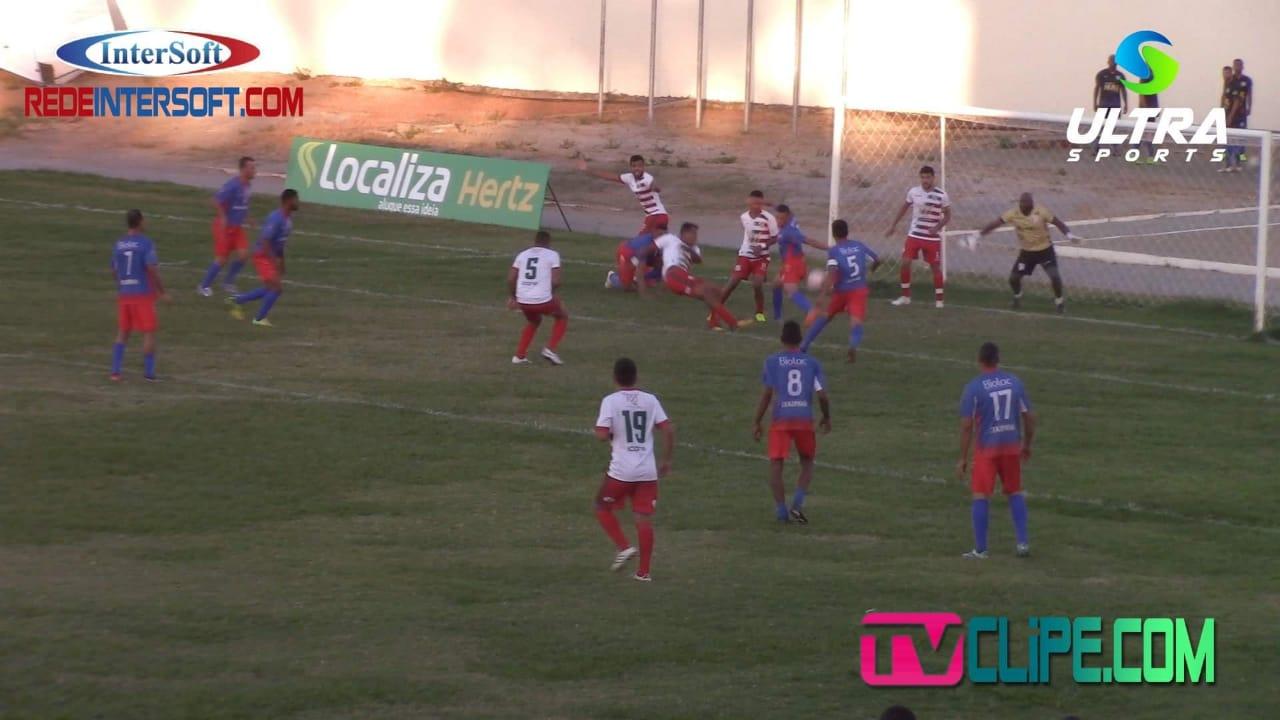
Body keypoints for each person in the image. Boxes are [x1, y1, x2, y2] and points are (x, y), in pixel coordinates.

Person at [594, 357, 675, 582]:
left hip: (621, 471)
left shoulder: (610, 401)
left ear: (615, 378)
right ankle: (644, 573)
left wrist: (608, 434)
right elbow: (668, 430)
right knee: (643, 519)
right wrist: (667, 461)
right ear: (636, 377)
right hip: (647, 472)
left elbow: (601, 434)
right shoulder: (650, 400)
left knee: (601, 507)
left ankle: (623, 546)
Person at [957, 342, 1035, 559]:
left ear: (979, 360)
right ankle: (1023, 543)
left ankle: (981, 549)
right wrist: (1027, 445)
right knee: (1015, 491)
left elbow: (966, 426)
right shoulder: (1014, 382)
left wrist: (962, 458)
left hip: (987, 449)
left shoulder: (974, 387)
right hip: (1011, 445)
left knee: (981, 495)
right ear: (998, 359)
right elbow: (1029, 417)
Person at [753, 320, 831, 523]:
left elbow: (767, 394)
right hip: (804, 418)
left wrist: (757, 421)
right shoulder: (812, 363)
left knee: (776, 465)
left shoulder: (772, 361)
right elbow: (822, 395)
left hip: (781, 419)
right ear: (800, 340)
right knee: (807, 463)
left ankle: (781, 511)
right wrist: (826, 416)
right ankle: (797, 503)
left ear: (781, 339)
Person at [976, 192, 1081, 313]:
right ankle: (1017, 297)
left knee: (1054, 276)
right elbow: (996, 223)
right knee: (1013, 278)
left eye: (1027, 204)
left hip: (1045, 250)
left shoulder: (1041, 212)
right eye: (1022, 203)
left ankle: (1059, 302)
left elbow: (1058, 223)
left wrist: (1069, 235)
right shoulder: (1013, 214)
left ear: (1032, 204)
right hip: (1027, 253)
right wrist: (978, 235)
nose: (1024, 206)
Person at [802, 220, 881, 363]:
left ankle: (803, 346)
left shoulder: (835, 251)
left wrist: (822, 295)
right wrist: (870, 270)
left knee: (825, 317)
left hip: (841, 291)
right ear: (847, 231)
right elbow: (877, 259)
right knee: (856, 322)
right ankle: (852, 346)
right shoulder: (859, 245)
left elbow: (832, 274)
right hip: (858, 290)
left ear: (833, 234)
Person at [110, 209, 170, 381]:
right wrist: (162, 292)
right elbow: (151, 268)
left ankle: (115, 372)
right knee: (149, 333)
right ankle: (149, 373)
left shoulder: (119, 244)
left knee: (122, 332)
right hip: (142, 294)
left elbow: (114, 269)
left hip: (125, 294)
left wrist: (121, 285)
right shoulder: (146, 243)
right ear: (140, 222)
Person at [227, 189, 300, 327]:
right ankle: (259, 318)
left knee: (270, 288)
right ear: (288, 201)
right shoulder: (275, 218)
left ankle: (238, 300)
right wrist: (272, 261)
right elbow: (265, 241)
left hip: (269, 256)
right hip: (262, 255)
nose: (298, 202)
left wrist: (282, 262)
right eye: (296, 199)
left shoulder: (288, 222)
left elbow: (280, 244)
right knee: (276, 288)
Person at [656, 222, 744, 330]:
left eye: (696, 234)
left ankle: (713, 322)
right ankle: (732, 322)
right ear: (683, 233)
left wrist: (689, 249)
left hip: (683, 276)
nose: (695, 237)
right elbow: (652, 248)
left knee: (716, 291)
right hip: (673, 274)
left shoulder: (694, 248)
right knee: (706, 293)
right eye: (692, 234)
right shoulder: (670, 239)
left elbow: (698, 260)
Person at [885, 166, 949, 308]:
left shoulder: (942, 195)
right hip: (914, 234)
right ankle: (905, 296)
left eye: (928, 177)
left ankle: (939, 300)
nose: (925, 180)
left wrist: (937, 227)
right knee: (905, 262)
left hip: (931, 238)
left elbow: (948, 216)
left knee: (935, 267)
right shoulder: (913, 192)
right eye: (922, 177)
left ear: (933, 178)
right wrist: (893, 225)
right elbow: (904, 208)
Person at [504, 230, 568, 365]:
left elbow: (510, 279)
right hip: (542, 299)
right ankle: (550, 349)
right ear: (549, 242)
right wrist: (550, 293)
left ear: (535, 242)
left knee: (534, 321)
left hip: (522, 299)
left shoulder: (522, 254)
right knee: (562, 316)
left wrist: (513, 297)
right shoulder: (552, 255)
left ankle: (519, 356)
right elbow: (556, 281)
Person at [719, 189, 778, 325]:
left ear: (762, 204)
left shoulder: (769, 218)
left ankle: (759, 313)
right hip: (745, 255)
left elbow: (775, 237)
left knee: (757, 283)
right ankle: (716, 309)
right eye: (753, 203)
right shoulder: (744, 217)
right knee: (732, 282)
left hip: (762, 257)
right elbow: (749, 234)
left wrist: (762, 246)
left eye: (758, 203)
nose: (755, 206)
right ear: (748, 202)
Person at [199, 156, 255, 296]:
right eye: (252, 168)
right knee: (222, 259)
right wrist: (223, 217)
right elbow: (216, 200)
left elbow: (243, 204)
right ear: (243, 169)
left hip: (237, 228)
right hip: (224, 227)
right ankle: (204, 286)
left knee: (243, 255)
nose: (254, 171)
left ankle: (228, 283)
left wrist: (248, 217)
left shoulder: (247, 186)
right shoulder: (233, 185)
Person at [577, 155, 669, 234]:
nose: (637, 168)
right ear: (630, 167)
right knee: (659, 245)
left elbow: (655, 186)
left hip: (656, 216)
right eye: (634, 166)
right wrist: (587, 169)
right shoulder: (629, 178)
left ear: (643, 166)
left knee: (639, 245)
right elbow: (609, 176)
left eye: (639, 166)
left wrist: (655, 188)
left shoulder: (647, 178)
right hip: (656, 216)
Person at [770, 204, 829, 320]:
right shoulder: (791, 220)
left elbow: (809, 241)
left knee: (791, 290)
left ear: (787, 218)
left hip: (793, 264)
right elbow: (786, 210)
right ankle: (777, 317)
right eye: (776, 217)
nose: (778, 221)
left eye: (781, 218)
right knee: (776, 285)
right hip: (790, 262)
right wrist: (768, 203)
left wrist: (829, 248)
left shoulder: (789, 232)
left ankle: (812, 311)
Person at [1221, 58, 1253, 173]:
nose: (1237, 67)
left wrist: (1249, 107)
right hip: (1229, 113)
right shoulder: (1230, 80)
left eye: (1239, 65)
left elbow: (1245, 97)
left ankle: (1239, 162)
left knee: (1240, 138)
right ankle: (1227, 163)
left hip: (1240, 114)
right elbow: (1225, 95)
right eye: (1235, 65)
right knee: (1227, 138)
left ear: (1242, 66)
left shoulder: (1246, 80)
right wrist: (1222, 110)